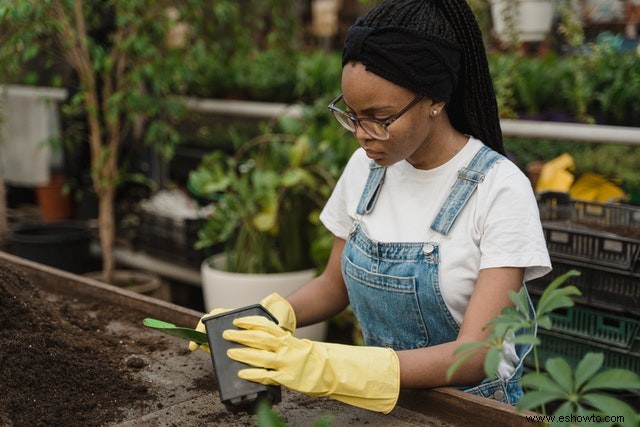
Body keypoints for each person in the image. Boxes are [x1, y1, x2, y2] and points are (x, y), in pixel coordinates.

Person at [190, 0, 551, 414]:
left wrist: (329, 366)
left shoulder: (500, 189)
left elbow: (475, 354)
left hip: (473, 413)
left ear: (435, 97)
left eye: (379, 117)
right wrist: (268, 315)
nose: (362, 135)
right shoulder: (366, 169)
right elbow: (333, 285)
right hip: (384, 408)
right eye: (352, 115)